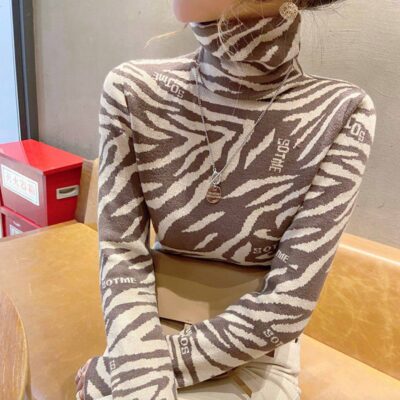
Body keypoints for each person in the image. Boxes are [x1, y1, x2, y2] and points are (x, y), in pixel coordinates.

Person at [75, 0, 376, 399]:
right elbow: (121, 251)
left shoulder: (340, 113)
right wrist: (138, 370)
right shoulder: (132, 90)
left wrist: (130, 373)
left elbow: (287, 304)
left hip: (255, 352)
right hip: (145, 329)